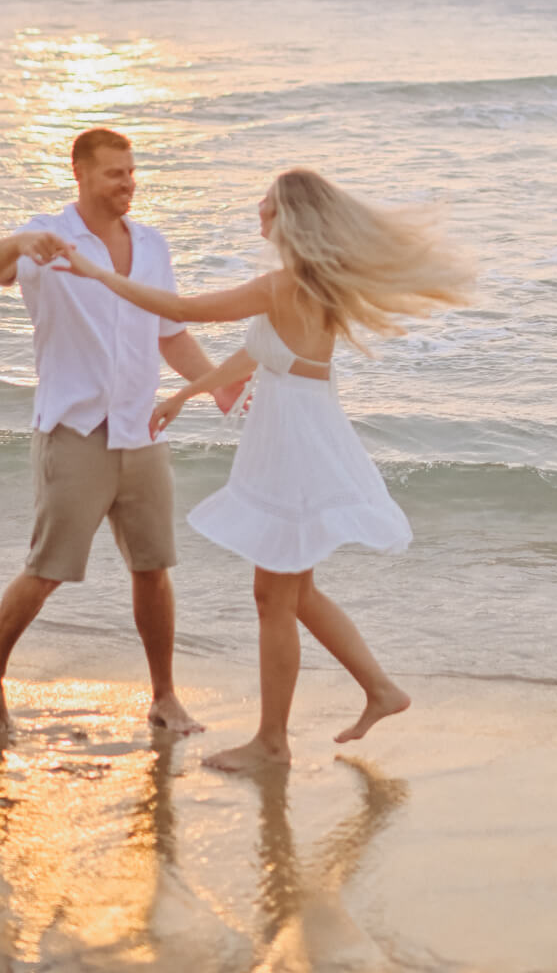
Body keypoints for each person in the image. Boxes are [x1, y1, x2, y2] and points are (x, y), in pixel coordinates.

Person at [49, 167, 472, 772]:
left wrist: (97, 274)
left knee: (275, 598)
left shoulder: (283, 285)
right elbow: (260, 354)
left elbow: (182, 308)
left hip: (294, 446)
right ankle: (380, 690)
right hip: (300, 434)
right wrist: (188, 392)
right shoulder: (313, 284)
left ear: (289, 217)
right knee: (293, 593)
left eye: (267, 203)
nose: (259, 208)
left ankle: (272, 743)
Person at [0, 127, 245, 735]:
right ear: (82, 173)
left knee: (153, 568)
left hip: (141, 431)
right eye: (116, 172)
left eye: (132, 171)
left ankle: (164, 697)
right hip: (74, 429)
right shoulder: (46, 237)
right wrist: (19, 241)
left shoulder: (152, 245)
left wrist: (218, 385)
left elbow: (170, 331)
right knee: (47, 570)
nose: (129, 183)